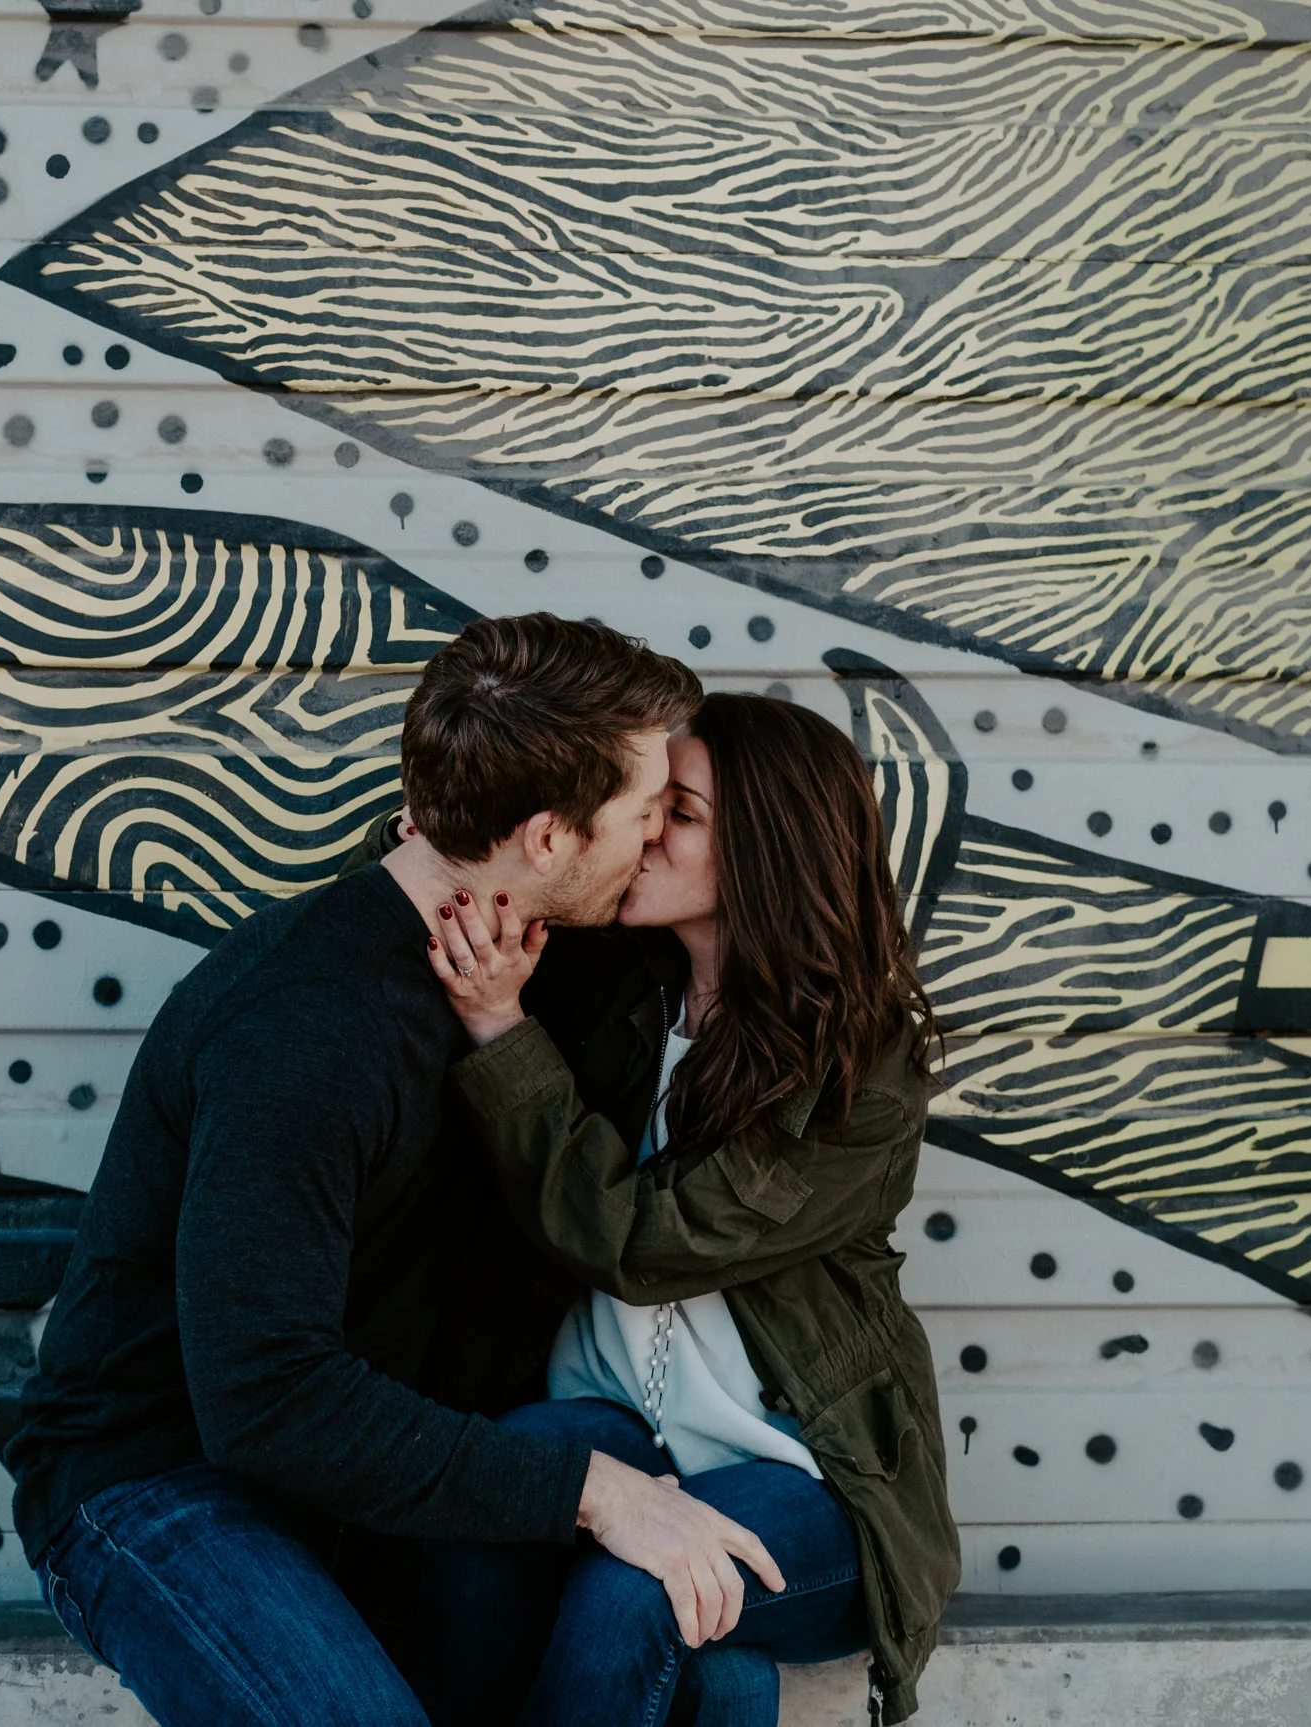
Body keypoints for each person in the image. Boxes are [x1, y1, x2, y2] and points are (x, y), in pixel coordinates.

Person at [5, 615, 789, 1726]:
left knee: (716, 1685)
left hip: (384, 1487)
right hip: (164, 1482)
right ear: (549, 837)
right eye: (642, 810)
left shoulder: (547, 963)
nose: (658, 835)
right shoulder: (307, 1026)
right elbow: (264, 1397)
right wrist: (596, 1494)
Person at [409, 692, 961, 1727]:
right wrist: (448, 839)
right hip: (620, 1417)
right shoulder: (627, 982)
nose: (647, 829)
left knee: (650, 1587)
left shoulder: (859, 1072)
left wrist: (500, 1032)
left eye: (683, 812)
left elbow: (646, 1242)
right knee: (478, 1513)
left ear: (767, 848)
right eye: (652, 803)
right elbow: (494, 867)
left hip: (805, 1466)